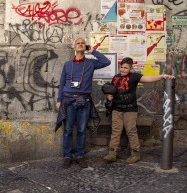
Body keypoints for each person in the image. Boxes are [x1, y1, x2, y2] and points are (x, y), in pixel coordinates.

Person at [103, 57, 175, 164]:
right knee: (115, 132)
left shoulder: (134, 76)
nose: (123, 69)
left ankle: (135, 154)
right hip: (116, 109)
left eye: (126, 68)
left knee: (131, 131)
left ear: (131, 68)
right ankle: (112, 153)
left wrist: (162, 76)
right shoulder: (115, 78)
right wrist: (109, 97)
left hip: (130, 109)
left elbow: (148, 78)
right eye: (121, 67)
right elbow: (112, 92)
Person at [56, 37, 111, 168]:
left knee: (81, 130)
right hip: (68, 100)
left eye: (83, 43)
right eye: (78, 43)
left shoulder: (91, 63)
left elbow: (106, 62)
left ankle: (80, 155)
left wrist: (92, 51)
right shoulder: (68, 64)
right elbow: (62, 83)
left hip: (84, 101)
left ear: (85, 47)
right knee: (68, 130)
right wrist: (59, 100)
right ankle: (68, 156)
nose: (80, 44)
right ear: (74, 47)